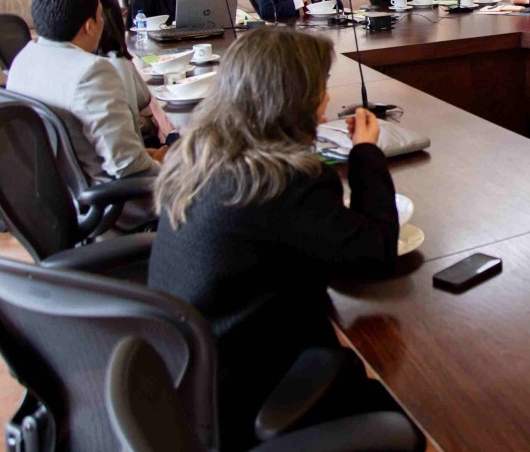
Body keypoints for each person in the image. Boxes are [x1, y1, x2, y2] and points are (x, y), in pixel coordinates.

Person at [148, 27, 402, 450]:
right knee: (398, 421)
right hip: (251, 398)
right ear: (294, 101)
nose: (324, 109)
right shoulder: (279, 182)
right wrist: (366, 152)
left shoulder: (199, 153)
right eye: (320, 91)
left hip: (188, 385)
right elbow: (375, 255)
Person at [6, 0, 158, 219]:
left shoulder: (23, 60)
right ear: (90, 25)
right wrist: (173, 170)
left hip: (61, 194)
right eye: (100, 16)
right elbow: (127, 167)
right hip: (116, 203)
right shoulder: (92, 71)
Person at [95, 0, 172, 152]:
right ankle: (172, 135)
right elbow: (142, 97)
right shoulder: (119, 62)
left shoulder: (87, 59)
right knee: (157, 100)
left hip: (113, 149)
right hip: (133, 150)